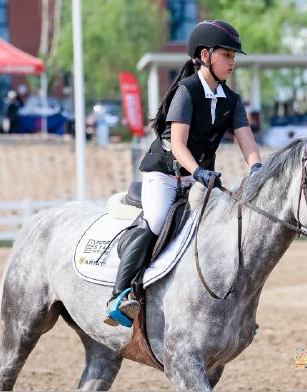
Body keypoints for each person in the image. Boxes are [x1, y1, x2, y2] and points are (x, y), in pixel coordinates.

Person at [104, 20, 263, 326]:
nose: (232, 61)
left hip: (198, 177)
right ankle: (119, 295)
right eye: (227, 55)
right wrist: (199, 172)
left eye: (233, 56)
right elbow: (177, 145)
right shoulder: (186, 92)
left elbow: (247, 141)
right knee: (157, 220)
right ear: (205, 55)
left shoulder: (232, 100)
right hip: (164, 175)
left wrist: (257, 168)